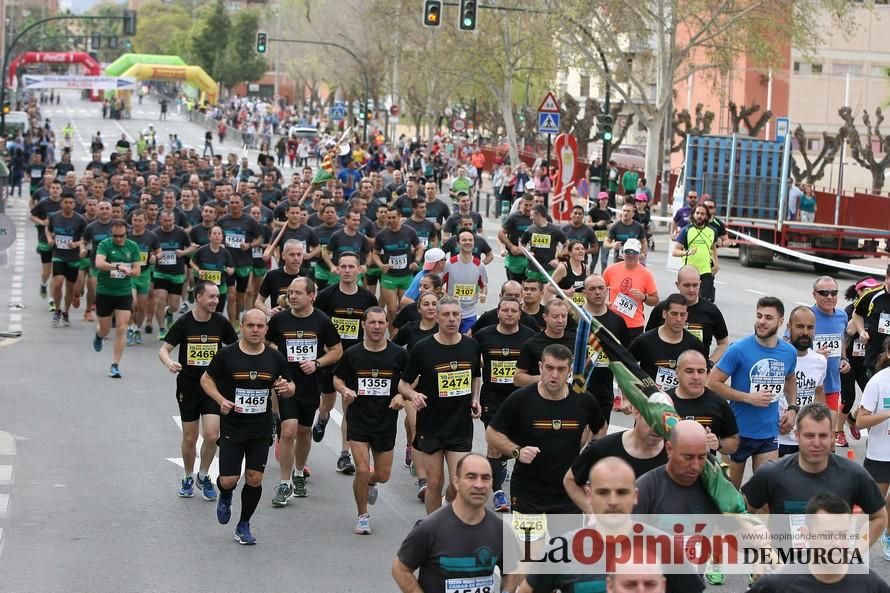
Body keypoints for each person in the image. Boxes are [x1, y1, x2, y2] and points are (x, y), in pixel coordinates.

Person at [521, 457, 702, 593]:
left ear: (635, 495)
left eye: (622, 492)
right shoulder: (561, 550)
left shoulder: (666, 547)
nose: (613, 501)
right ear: (589, 495)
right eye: (603, 492)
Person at [200, 309, 295, 544]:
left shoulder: (275, 358)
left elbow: (291, 386)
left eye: (260, 326)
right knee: (228, 480)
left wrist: (286, 389)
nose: (255, 330)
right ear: (241, 326)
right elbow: (206, 379)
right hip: (233, 426)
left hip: (261, 428)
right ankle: (225, 494)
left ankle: (243, 524)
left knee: (254, 478)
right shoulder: (227, 354)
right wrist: (221, 400)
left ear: (266, 329)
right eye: (250, 325)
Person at [742, 402, 887, 549]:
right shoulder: (771, 473)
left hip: (833, 567)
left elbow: (879, 517)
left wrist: (854, 551)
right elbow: (740, 514)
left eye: (823, 436)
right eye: (809, 436)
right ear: (797, 435)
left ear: (832, 437)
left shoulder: (853, 474)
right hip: (784, 568)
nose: (816, 443)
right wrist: (760, 551)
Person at [487, 344, 605, 515]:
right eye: (549, 368)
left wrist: (589, 459)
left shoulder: (583, 399)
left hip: (569, 492)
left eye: (561, 369)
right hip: (528, 493)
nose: (555, 375)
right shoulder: (521, 399)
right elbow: (492, 433)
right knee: (527, 543)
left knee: (563, 542)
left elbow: (600, 429)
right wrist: (517, 452)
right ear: (541, 367)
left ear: (570, 370)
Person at [398, 297, 482, 514]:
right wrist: (413, 394)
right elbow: (403, 384)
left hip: (460, 425)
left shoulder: (471, 346)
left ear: (461, 317)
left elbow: (475, 376)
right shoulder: (422, 348)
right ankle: (433, 527)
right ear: (437, 317)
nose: (451, 319)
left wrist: (475, 398)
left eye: (455, 314)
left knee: (458, 483)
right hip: (431, 424)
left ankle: (445, 507)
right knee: (434, 483)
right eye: (446, 314)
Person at [392, 453, 519, 593]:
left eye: (485, 478)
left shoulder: (501, 530)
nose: (479, 484)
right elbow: (400, 569)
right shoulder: (429, 528)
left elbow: (512, 570)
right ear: (456, 482)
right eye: (471, 477)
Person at [707, 296, 798, 488]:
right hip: (736, 433)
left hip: (768, 434)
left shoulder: (788, 352)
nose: (762, 321)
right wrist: (747, 398)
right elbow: (712, 383)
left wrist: (792, 408)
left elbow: (790, 378)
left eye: (768, 317)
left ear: (781, 322)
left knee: (765, 495)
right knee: (730, 496)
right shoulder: (739, 349)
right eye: (759, 316)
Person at [159, 280, 238, 499]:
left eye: (217, 297)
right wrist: (169, 363)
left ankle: (203, 475)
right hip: (189, 387)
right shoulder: (185, 323)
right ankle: (187, 476)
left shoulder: (221, 323)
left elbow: (235, 350)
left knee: (212, 434)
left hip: (213, 387)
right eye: (211, 297)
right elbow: (164, 350)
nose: (216, 300)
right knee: (190, 437)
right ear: (199, 298)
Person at [267, 277, 342, 504]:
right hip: (286, 384)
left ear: (311, 296)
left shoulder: (321, 321)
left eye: (298, 293)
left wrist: (317, 363)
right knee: (287, 431)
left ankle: (299, 473)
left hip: (310, 385)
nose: (293, 296)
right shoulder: (279, 319)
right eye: (290, 292)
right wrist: (276, 361)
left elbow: (337, 350)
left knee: (303, 432)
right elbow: (267, 344)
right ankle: (284, 483)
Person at [333, 306, 407, 534]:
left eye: (381, 323)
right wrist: (344, 390)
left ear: (387, 325)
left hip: (385, 421)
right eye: (372, 322)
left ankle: (371, 483)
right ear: (363, 325)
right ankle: (362, 515)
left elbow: (410, 382)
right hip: (359, 420)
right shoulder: (353, 354)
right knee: (362, 470)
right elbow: (337, 378)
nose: (376, 327)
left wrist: (400, 395)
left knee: (382, 475)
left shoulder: (399, 355)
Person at [312, 252, 379, 473]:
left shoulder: (368, 299)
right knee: (328, 402)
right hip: (331, 357)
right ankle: (322, 418)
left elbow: (372, 328)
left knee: (350, 407)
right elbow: (318, 325)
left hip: (355, 360)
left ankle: (344, 454)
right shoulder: (326, 296)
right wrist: (324, 350)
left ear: (360, 269)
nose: (348, 270)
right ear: (338, 270)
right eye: (344, 266)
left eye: (352, 266)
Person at [744, 493, 890, 593]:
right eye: (827, 535)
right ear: (806, 535)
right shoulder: (778, 584)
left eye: (843, 535)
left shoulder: (871, 585)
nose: (837, 543)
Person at [474, 296, 537, 511]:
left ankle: (505, 471)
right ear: (498, 313)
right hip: (492, 397)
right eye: (505, 310)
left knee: (515, 445)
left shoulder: (530, 338)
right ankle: (499, 492)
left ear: (520, 314)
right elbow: (472, 361)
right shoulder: (484, 335)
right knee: (494, 445)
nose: (509, 314)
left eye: (514, 310)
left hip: (520, 399)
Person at [564, 403, 668, 512]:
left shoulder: (674, 452)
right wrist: (593, 513)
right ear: (637, 413)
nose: (658, 428)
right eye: (652, 420)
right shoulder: (605, 447)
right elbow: (570, 480)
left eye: (664, 422)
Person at [633, 420, 721, 515]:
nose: (695, 466)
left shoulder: (716, 483)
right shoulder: (645, 491)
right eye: (688, 457)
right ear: (669, 449)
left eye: (701, 457)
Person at [645, 266, 729, 363]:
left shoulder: (711, 311)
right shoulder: (662, 308)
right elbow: (647, 340)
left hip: (695, 372)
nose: (691, 290)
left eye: (695, 285)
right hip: (664, 368)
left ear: (700, 284)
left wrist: (710, 363)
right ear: (677, 285)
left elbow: (723, 343)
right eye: (686, 285)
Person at [91, 220, 142, 378]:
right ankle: (99, 336)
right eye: (115, 236)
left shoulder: (133, 246)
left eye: (122, 236)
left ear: (126, 234)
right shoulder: (105, 245)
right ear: (111, 234)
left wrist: (130, 272)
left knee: (121, 327)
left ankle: (115, 364)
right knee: (105, 329)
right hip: (105, 292)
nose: (118, 239)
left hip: (123, 293)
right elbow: (99, 263)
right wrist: (118, 267)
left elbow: (137, 271)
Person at [629, 293, 708, 392]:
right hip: (650, 401)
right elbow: (625, 367)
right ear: (664, 314)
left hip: (682, 402)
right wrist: (629, 395)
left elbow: (706, 373)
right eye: (674, 314)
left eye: (682, 315)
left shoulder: (694, 344)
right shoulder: (645, 341)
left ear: (687, 316)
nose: (679, 319)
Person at [855, 338, 890, 560]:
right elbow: (860, 421)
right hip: (880, 455)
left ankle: (888, 537)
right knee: (874, 506)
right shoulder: (878, 382)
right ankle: (856, 549)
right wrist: (887, 414)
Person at [667, 350, 739, 457]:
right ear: (677, 373)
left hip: (703, 471)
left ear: (707, 374)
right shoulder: (664, 401)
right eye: (689, 371)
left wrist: (718, 444)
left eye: (700, 371)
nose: (696, 377)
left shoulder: (719, 404)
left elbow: (733, 443)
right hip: (666, 470)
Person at [778, 307, 827, 457]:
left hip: (806, 440)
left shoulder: (820, 361)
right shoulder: (777, 357)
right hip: (777, 438)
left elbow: (818, 391)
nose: (805, 332)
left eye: (810, 327)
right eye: (800, 326)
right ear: (788, 327)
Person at [581, 273, 630, 422]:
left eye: (601, 288)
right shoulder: (575, 317)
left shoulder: (617, 322)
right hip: (576, 391)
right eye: (592, 289)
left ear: (606, 290)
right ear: (584, 292)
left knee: (599, 440)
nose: (597, 292)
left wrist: (626, 397)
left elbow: (624, 363)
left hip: (604, 392)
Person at [373, 205, 422, 327]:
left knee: (405, 307)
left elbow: (419, 248)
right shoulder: (381, 235)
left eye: (393, 217)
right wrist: (380, 265)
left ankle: (403, 332)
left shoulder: (409, 231)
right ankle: (393, 334)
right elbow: (375, 254)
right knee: (392, 309)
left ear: (400, 217)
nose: (391, 220)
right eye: (388, 218)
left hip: (406, 276)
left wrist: (416, 261)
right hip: (390, 277)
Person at [603, 238, 659, 340]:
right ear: (623, 252)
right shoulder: (610, 270)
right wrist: (603, 303)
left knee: (632, 355)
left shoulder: (646, 274)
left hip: (634, 325)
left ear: (640, 254)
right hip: (613, 322)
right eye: (628, 251)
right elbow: (599, 289)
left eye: (634, 252)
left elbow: (655, 300)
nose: (631, 255)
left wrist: (644, 297)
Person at [46, 193, 87, 327]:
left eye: (71, 202)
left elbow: (84, 239)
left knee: (70, 287)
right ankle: (57, 310)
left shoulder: (80, 220)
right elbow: (49, 231)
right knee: (58, 283)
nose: (68, 205)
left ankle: (66, 313)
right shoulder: (54, 217)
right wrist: (51, 240)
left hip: (73, 258)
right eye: (66, 202)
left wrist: (76, 245)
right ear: (61, 203)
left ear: (74, 204)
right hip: (58, 255)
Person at [514, 299, 575, 387]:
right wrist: (545, 377)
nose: (560, 320)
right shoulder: (531, 344)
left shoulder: (576, 341)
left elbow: (585, 367)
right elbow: (517, 379)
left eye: (564, 316)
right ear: (545, 317)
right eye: (555, 316)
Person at [442, 230, 488, 333]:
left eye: (470, 240)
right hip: (452, 312)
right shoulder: (449, 264)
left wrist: (483, 294)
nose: (468, 242)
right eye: (464, 240)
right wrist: (445, 296)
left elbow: (483, 285)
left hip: (470, 313)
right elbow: (439, 284)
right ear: (458, 243)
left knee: (466, 340)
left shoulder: (479, 265)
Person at [672, 205, 718, 303]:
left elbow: (713, 247)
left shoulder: (712, 231)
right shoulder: (686, 230)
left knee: (706, 303)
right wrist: (686, 253)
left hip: (705, 272)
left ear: (706, 216)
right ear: (693, 214)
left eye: (702, 214)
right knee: (688, 302)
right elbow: (674, 251)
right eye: (697, 213)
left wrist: (716, 264)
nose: (699, 216)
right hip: (689, 273)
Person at [851, 264, 890, 378]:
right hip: (875, 356)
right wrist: (861, 331)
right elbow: (856, 314)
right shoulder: (871, 295)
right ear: (887, 277)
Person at [255, 239, 305, 317]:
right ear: (283, 255)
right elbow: (258, 301)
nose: (296, 258)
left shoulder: (308, 275)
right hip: (279, 320)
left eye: (299, 254)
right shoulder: (272, 276)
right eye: (292, 254)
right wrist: (268, 311)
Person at [190, 226, 235, 313]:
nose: (217, 236)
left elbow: (232, 268)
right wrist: (198, 270)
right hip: (204, 287)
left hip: (220, 288)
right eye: (214, 233)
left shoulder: (225, 253)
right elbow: (192, 262)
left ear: (222, 237)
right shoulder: (202, 250)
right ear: (209, 236)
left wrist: (230, 270)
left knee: (218, 312)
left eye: (219, 234)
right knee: (204, 311)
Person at [520, 204, 567, 282]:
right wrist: (527, 253)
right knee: (533, 291)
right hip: (533, 268)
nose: (530, 217)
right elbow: (521, 244)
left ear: (539, 215)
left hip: (549, 269)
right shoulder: (530, 229)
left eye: (532, 215)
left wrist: (558, 259)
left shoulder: (555, 230)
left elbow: (567, 245)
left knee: (547, 292)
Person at [500, 193, 534, 281]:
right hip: (515, 258)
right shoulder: (514, 217)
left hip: (532, 259)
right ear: (520, 204)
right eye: (526, 205)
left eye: (531, 205)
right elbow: (501, 233)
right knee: (514, 287)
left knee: (530, 287)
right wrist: (511, 246)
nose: (528, 208)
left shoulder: (537, 218)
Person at [547, 241, 589, 307]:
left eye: (582, 249)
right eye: (577, 249)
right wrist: (564, 292)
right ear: (570, 253)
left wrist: (586, 291)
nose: (581, 251)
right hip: (564, 305)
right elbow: (549, 287)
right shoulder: (563, 267)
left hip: (580, 306)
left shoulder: (586, 268)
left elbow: (587, 287)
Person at [588, 191, 613, 273]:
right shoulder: (593, 211)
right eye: (602, 199)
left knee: (604, 261)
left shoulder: (609, 211)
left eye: (606, 199)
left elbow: (610, 224)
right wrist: (596, 224)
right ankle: (589, 277)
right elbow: (586, 223)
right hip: (595, 238)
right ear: (598, 201)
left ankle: (603, 279)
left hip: (606, 238)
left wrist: (609, 226)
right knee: (594, 261)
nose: (604, 201)